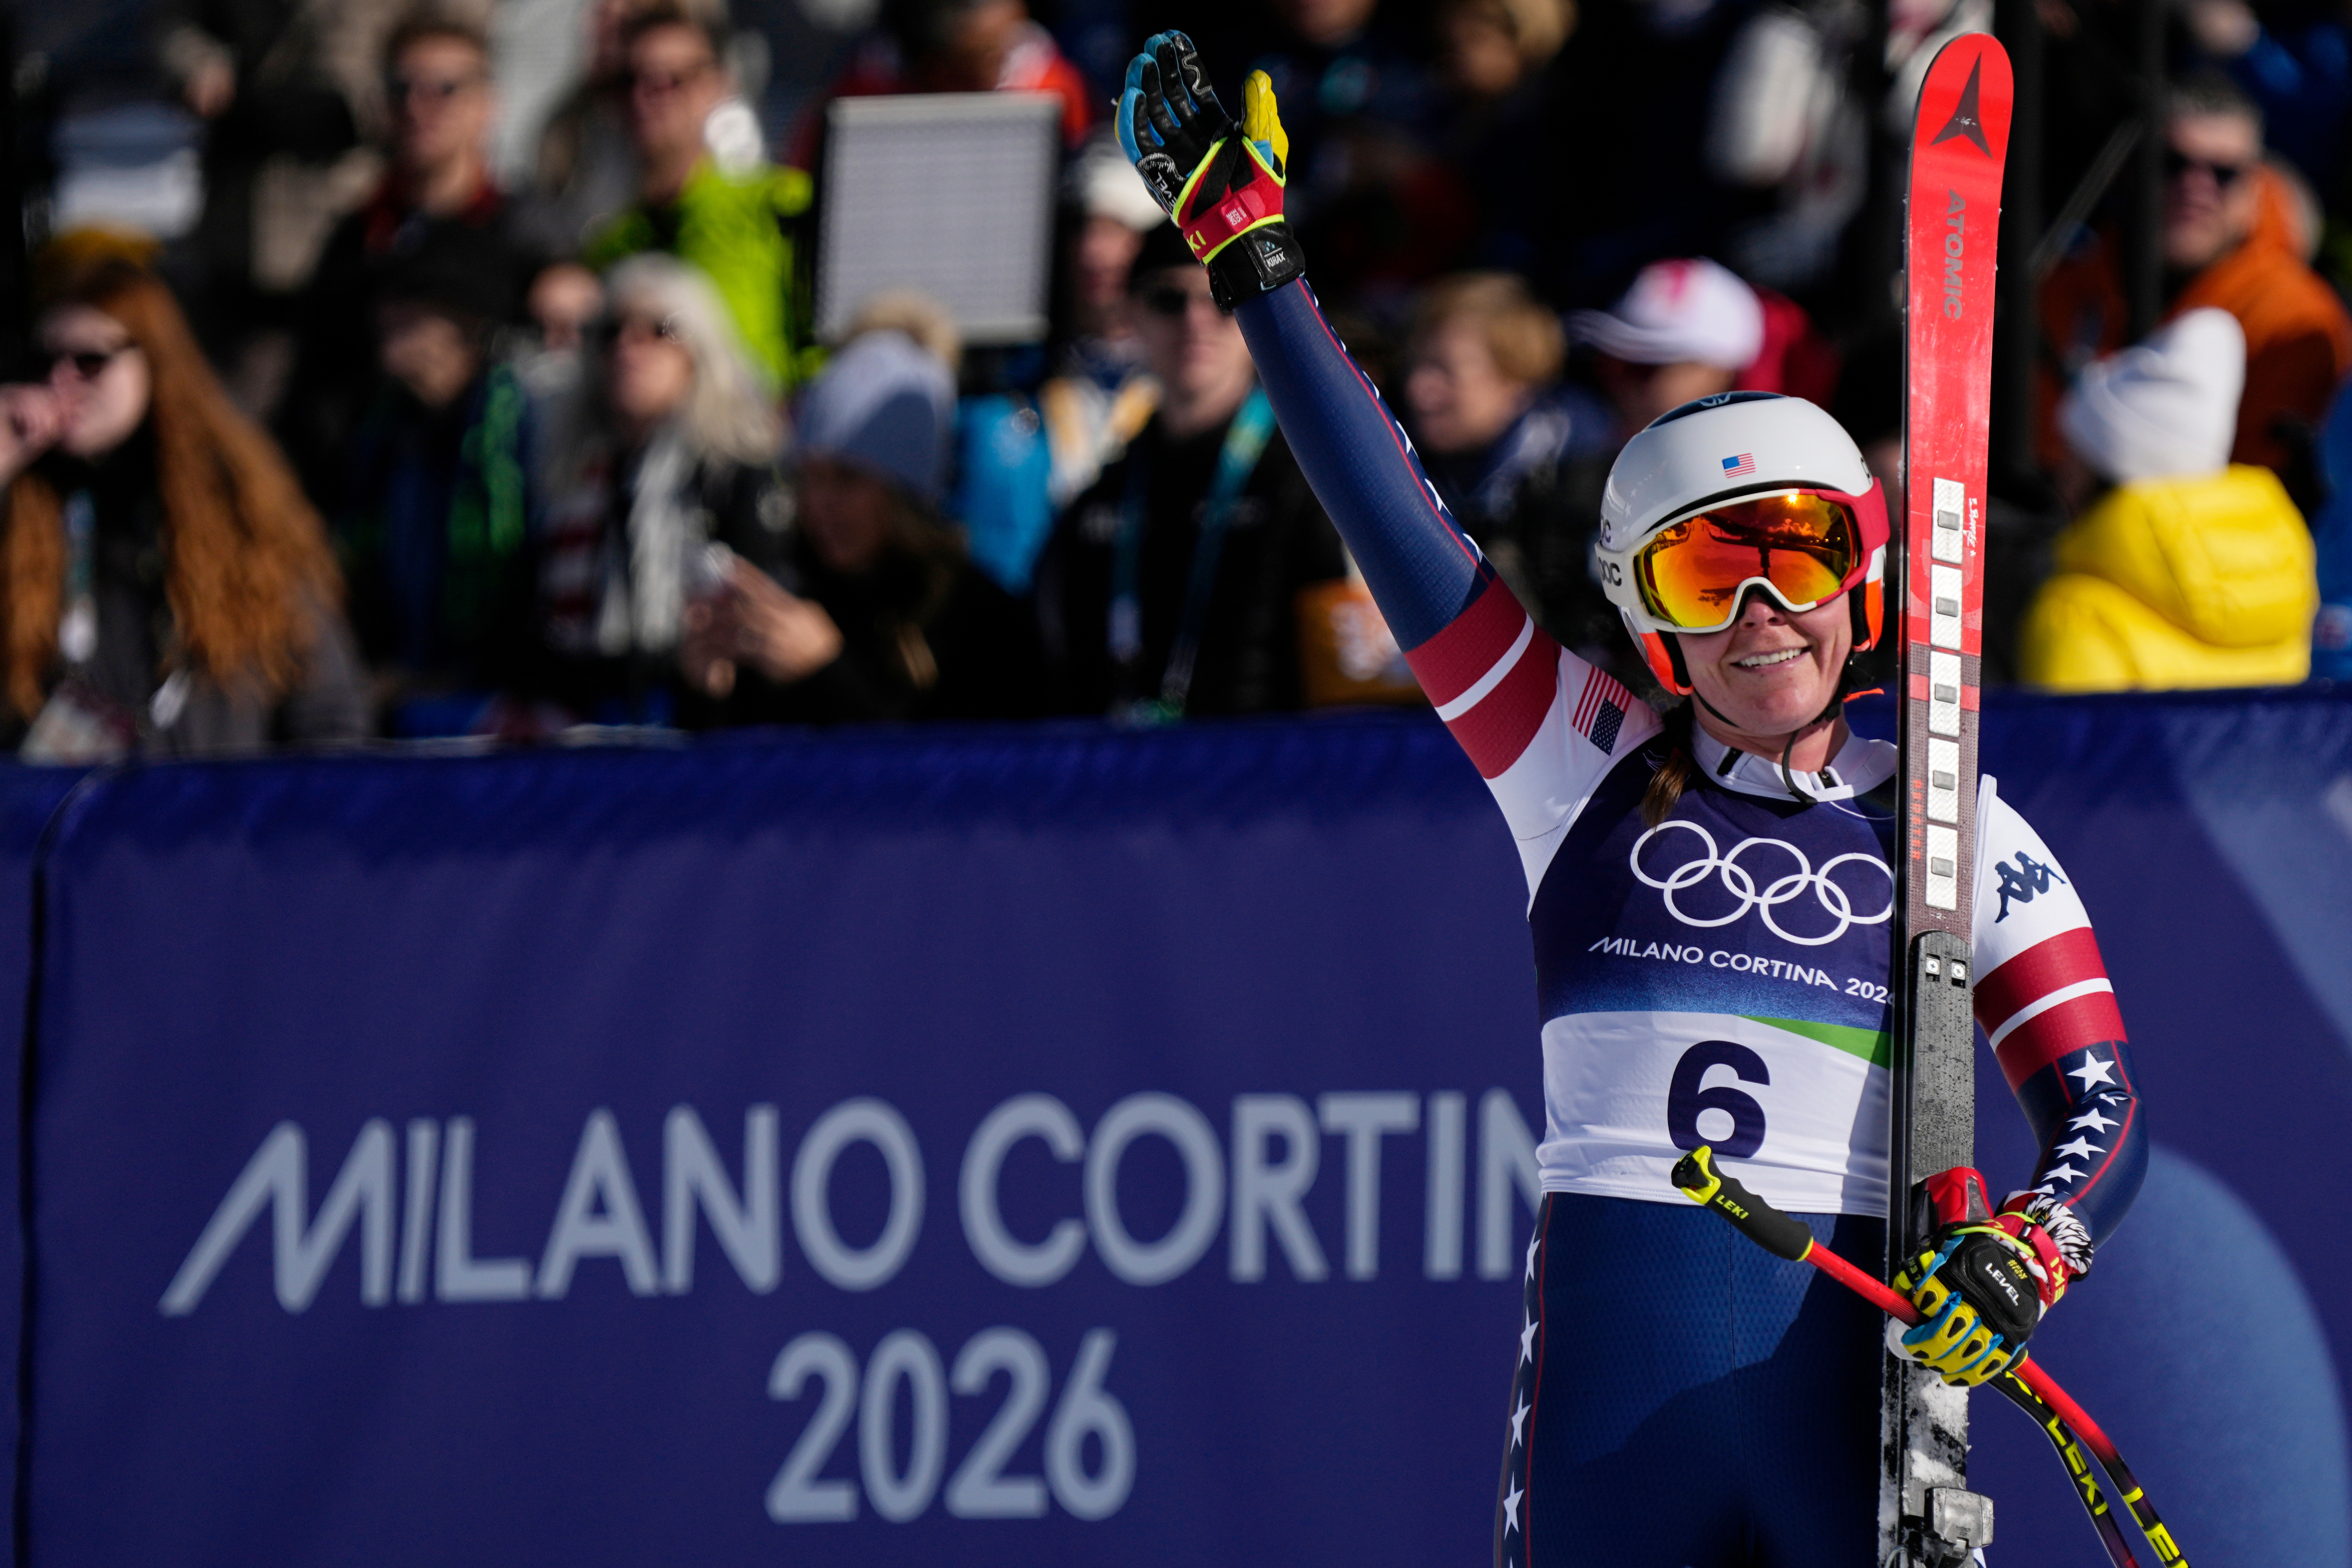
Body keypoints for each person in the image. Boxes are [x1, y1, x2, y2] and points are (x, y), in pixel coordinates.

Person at [1117, 35, 2144, 1562]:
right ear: (1644, 618)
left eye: (1794, 552)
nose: (1760, 612)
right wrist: (1255, 262)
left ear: (1859, 580)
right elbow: (1405, 540)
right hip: (1613, 1440)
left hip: (1845, 1424)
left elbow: (2105, 1102)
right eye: (1702, 572)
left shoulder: (1950, 815)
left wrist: (2025, 1247)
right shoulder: (1579, 761)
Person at [0, 255, 367, 758]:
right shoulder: (25, 504)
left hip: (216, 827)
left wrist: (283, 828)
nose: (62, 381)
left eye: (90, 361)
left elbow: (330, 714)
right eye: (44, 361)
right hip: (68, 827)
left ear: (153, 360)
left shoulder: (240, 508)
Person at [1036, 222, 1348, 719]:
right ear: (1130, 314)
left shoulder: (1317, 480)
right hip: (1133, 781)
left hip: (1277, 782)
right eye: (1169, 299)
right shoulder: (1104, 495)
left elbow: (1350, 687)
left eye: (1223, 299)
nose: (1195, 322)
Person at [680, 324, 1049, 723]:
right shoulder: (794, 599)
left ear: (902, 495)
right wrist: (710, 692)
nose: (820, 504)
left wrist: (826, 671)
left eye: (846, 478)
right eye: (809, 478)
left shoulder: (982, 621)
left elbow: (959, 774)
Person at [2041, 72, 2352, 493]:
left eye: (2224, 173)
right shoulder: (2061, 287)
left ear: (2255, 190)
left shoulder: (2295, 320)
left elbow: (2257, 500)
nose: (2195, 187)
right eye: (2172, 163)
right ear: (2131, 171)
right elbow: (2040, 453)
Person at [282, 9, 541, 510]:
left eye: (445, 89)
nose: (420, 107)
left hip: (489, 520)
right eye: (403, 89)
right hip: (364, 516)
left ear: (488, 105)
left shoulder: (528, 237)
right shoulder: (353, 242)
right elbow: (308, 400)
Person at [532, 255, 791, 726]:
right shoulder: (575, 476)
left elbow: (763, 602)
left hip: (704, 720)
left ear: (700, 346)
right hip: (587, 716)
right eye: (613, 330)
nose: (631, 347)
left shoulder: (736, 467)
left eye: (660, 329)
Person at [2021, 309, 2316, 691]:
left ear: (2102, 471)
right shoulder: (2281, 585)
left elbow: (2063, 751)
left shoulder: (2074, 614)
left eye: (2073, 453)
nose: (2059, 470)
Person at [336, 235, 541, 733]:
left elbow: (528, 568)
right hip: (409, 689)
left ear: (464, 323)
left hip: (496, 704)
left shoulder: (519, 421)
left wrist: (449, 676)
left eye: (413, 304)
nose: (388, 313)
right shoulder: (386, 430)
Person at [585, 4, 815, 390]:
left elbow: (826, 345)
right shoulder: (610, 248)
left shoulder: (777, 204)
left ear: (718, 86)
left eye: (671, 81)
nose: (647, 97)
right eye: (630, 81)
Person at [1402, 272, 1618, 669]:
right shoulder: (1412, 471)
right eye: (1418, 365)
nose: (1419, 388)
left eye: (1445, 371)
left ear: (1517, 379)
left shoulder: (1591, 488)